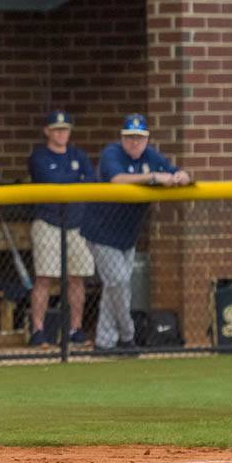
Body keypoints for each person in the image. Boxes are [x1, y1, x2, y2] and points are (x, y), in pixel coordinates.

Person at [82, 114, 191, 351]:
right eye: (129, 137)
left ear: (146, 139)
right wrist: (152, 178)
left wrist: (180, 176)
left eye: (139, 138)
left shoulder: (150, 155)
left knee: (114, 286)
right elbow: (116, 179)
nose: (134, 142)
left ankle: (104, 342)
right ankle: (127, 336)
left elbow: (174, 171)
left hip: (127, 235)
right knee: (119, 282)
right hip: (101, 231)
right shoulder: (112, 153)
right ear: (122, 138)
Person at [26, 111, 97, 347]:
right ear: (47, 131)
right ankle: (38, 330)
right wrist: (74, 180)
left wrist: (71, 181)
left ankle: (75, 329)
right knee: (45, 278)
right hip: (48, 221)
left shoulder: (79, 154)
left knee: (76, 278)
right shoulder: (39, 156)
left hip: (78, 223)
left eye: (65, 129)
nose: (61, 134)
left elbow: (91, 181)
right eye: (56, 129)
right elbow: (51, 179)